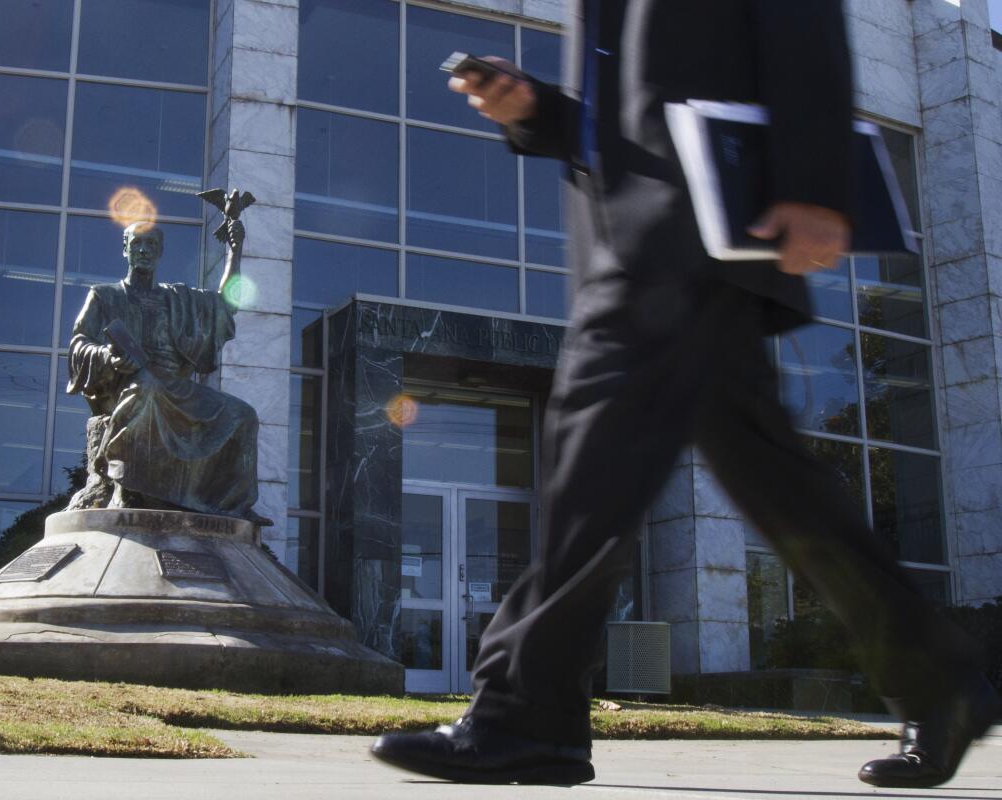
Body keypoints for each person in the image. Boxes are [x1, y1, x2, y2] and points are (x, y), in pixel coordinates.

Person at [371, 0, 999, 787]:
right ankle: (940, 682)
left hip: (689, 233)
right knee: (776, 483)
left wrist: (814, 184)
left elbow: (804, 23)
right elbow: (629, 118)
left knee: (591, 468)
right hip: (652, 232)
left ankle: (527, 715)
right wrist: (536, 112)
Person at [66, 220, 264, 522]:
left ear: (160, 252)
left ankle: (229, 505)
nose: (143, 250)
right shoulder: (104, 296)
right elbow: (79, 345)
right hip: (131, 385)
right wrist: (108, 356)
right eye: (136, 244)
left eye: (151, 245)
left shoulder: (177, 298)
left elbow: (226, 303)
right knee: (145, 389)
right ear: (125, 249)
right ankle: (129, 488)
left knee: (243, 415)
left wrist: (234, 252)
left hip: (176, 389)